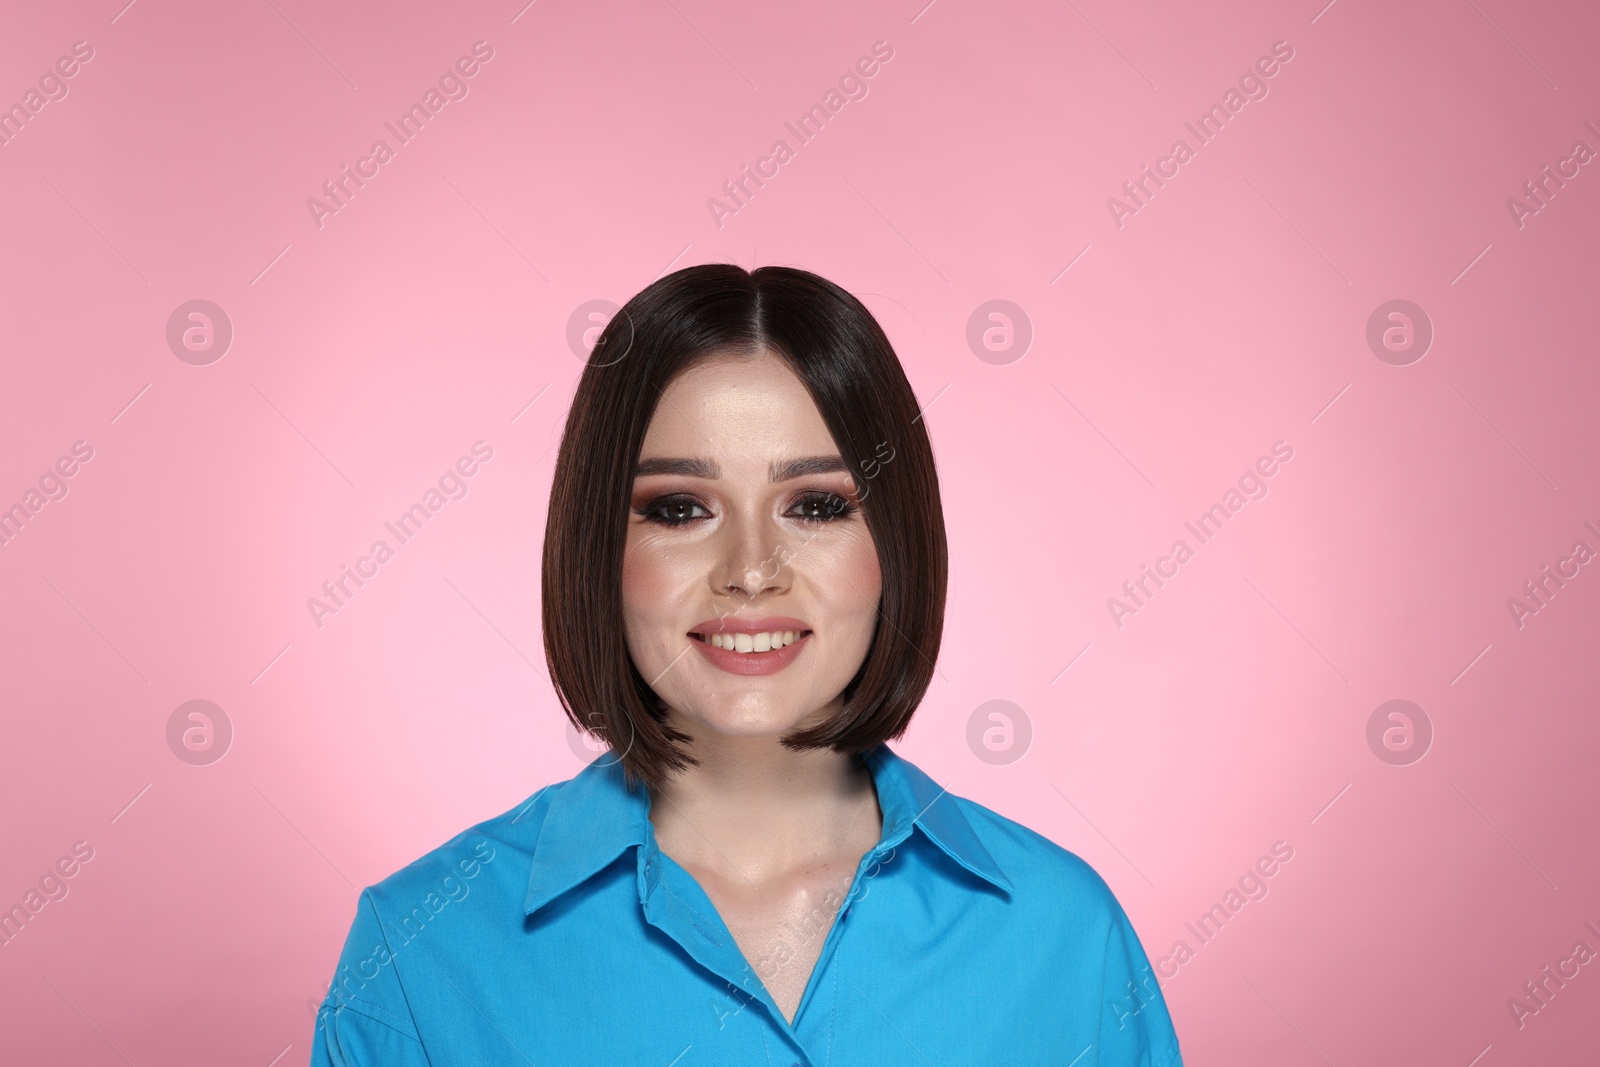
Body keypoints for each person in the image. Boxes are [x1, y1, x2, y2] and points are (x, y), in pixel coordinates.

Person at [309, 263, 1184, 1065]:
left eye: (815, 504)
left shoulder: (1064, 936)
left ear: (896, 544)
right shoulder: (422, 954)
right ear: (598, 551)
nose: (752, 567)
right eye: (682, 508)